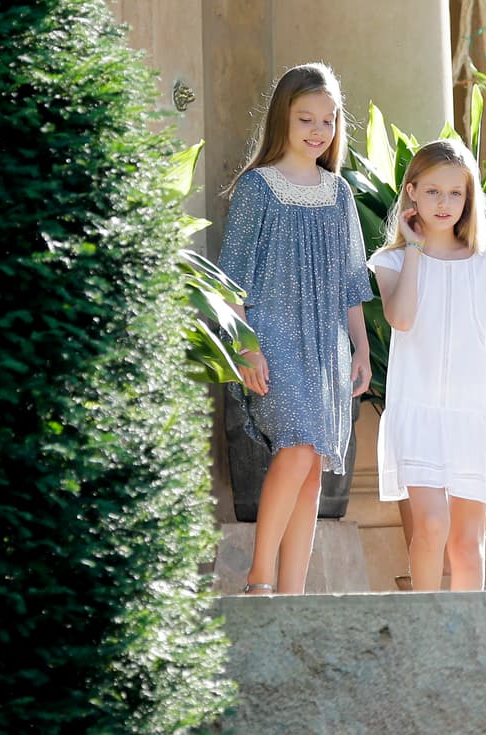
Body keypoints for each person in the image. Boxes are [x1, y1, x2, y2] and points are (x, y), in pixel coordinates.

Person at [218, 63, 373, 595]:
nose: (317, 130)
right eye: (306, 118)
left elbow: (352, 283)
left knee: (313, 467)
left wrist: (362, 349)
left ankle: (293, 592)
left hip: (326, 342)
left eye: (328, 121)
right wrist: (245, 348)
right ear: (282, 118)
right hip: (272, 336)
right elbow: (231, 280)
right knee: (301, 446)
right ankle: (259, 576)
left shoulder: (340, 196)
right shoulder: (257, 188)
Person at [368, 139, 486, 591]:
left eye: (455, 193)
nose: (444, 203)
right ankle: (427, 632)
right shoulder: (393, 261)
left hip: (474, 419)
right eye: (433, 191)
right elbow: (401, 319)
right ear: (411, 192)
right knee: (432, 526)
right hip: (417, 413)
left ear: (469, 199)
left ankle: (468, 645)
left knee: (466, 541)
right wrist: (417, 248)